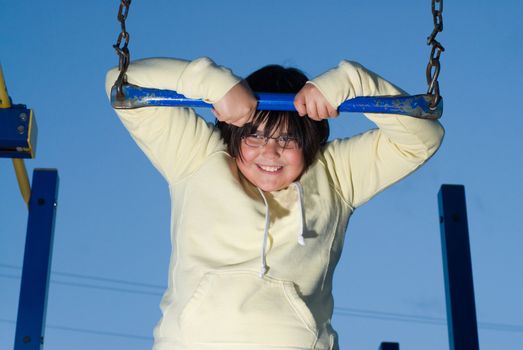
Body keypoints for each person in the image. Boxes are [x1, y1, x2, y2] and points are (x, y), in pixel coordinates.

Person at [106, 57, 444, 350]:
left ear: (309, 139)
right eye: (255, 136)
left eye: (288, 138)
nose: (270, 153)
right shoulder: (197, 157)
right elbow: (122, 84)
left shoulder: (335, 176)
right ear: (235, 130)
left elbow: (423, 139)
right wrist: (212, 82)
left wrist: (350, 82)